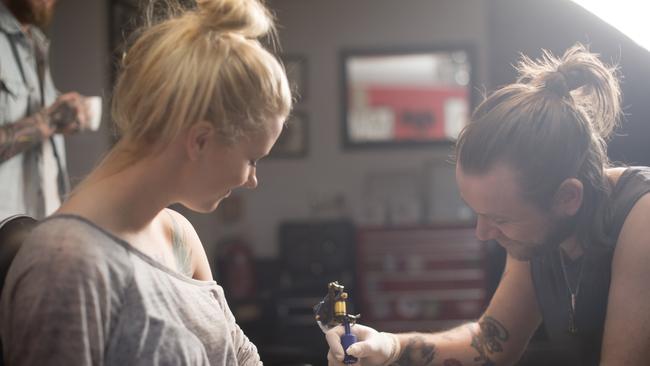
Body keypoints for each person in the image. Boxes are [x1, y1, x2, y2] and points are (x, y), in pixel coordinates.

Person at [0, 0, 291, 364]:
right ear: (199, 140)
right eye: (252, 160)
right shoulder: (64, 264)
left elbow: (239, 355)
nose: (252, 180)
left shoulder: (178, 235)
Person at [325, 44, 650, 366]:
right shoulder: (539, 233)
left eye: (500, 219)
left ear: (567, 198)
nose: (483, 233)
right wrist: (390, 347)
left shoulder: (641, 219)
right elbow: (490, 344)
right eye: (478, 214)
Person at [0, 0, 92, 219]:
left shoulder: (37, 43)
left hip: (38, 226)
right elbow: (45, 122)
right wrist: (48, 121)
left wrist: (64, 117)